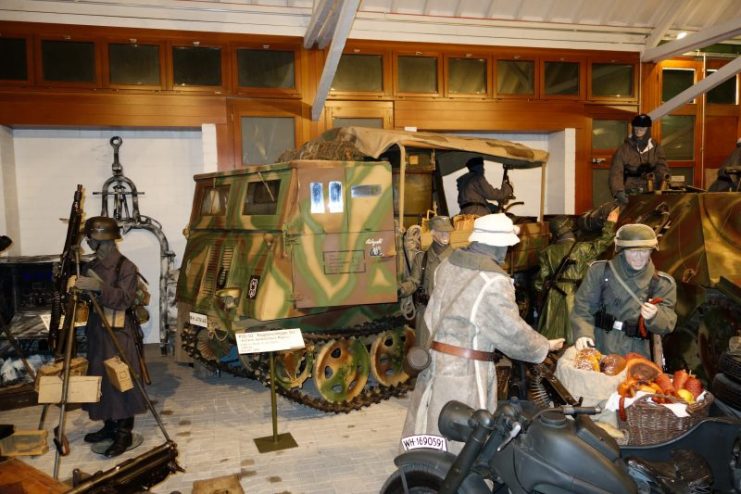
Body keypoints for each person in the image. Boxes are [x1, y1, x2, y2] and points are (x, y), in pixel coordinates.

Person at [400, 214, 564, 453]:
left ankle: (422, 467)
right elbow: (511, 332)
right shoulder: (494, 281)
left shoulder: (448, 265)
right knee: (461, 434)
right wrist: (543, 346)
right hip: (465, 370)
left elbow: (431, 313)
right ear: (499, 246)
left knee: (431, 420)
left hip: (436, 360)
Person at [76, 216, 147, 458]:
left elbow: (125, 299)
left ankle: (124, 432)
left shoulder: (125, 267)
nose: (89, 242)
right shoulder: (92, 265)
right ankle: (108, 425)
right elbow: (89, 300)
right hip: (98, 329)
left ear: (102, 240)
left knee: (120, 380)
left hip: (118, 332)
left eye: (92, 239)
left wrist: (98, 287)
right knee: (100, 379)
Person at [570, 223, 677, 359]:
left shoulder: (662, 283)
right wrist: (583, 333)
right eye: (633, 251)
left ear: (651, 251)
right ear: (622, 250)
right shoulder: (600, 272)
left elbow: (668, 323)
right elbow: (582, 308)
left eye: (644, 251)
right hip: (601, 345)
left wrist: (655, 315)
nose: (639, 257)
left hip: (639, 352)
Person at [534, 207, 619, 342]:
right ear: (570, 228)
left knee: (551, 335)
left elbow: (540, 281)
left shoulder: (547, 252)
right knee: (577, 335)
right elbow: (604, 241)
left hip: (553, 296)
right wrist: (611, 223)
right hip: (576, 295)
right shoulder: (583, 249)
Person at [398, 215, 454, 346]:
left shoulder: (457, 258)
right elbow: (414, 281)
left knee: (448, 354)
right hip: (426, 312)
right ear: (433, 233)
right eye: (441, 231)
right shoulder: (422, 258)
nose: (446, 235)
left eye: (448, 231)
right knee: (424, 352)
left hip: (449, 314)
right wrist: (401, 289)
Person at [609, 114, 669, 205]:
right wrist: (618, 192)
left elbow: (662, 167)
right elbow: (616, 171)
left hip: (652, 188)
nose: (638, 131)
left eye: (642, 129)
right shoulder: (624, 149)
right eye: (636, 128)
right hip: (631, 189)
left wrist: (664, 184)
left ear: (648, 129)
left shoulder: (656, 147)